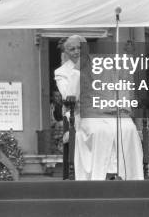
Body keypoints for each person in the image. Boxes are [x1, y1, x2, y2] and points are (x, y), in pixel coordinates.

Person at [54, 35, 144, 181]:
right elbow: (69, 96)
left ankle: (130, 177)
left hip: (108, 111)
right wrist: (78, 70)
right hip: (82, 114)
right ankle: (98, 178)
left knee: (128, 128)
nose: (77, 51)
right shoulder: (62, 72)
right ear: (66, 53)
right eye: (72, 49)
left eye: (80, 47)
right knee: (101, 131)